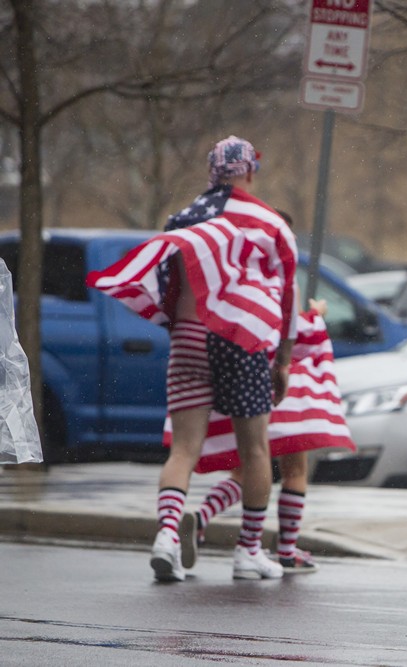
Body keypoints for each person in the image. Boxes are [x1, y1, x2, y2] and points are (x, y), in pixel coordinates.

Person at [87, 135, 299, 582]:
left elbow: (168, 285)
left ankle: (165, 535)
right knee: (255, 448)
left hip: (187, 334)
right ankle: (248, 551)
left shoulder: (182, 219)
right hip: (242, 339)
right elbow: (286, 298)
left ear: (211, 172)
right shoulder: (269, 223)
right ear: (250, 172)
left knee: (183, 448)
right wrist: (283, 360)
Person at [181, 294, 355, 574]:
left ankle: (201, 517)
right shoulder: (280, 272)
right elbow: (295, 329)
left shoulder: (242, 280)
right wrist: (316, 314)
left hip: (253, 379)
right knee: (295, 469)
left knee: (244, 470)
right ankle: (285, 551)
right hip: (289, 386)